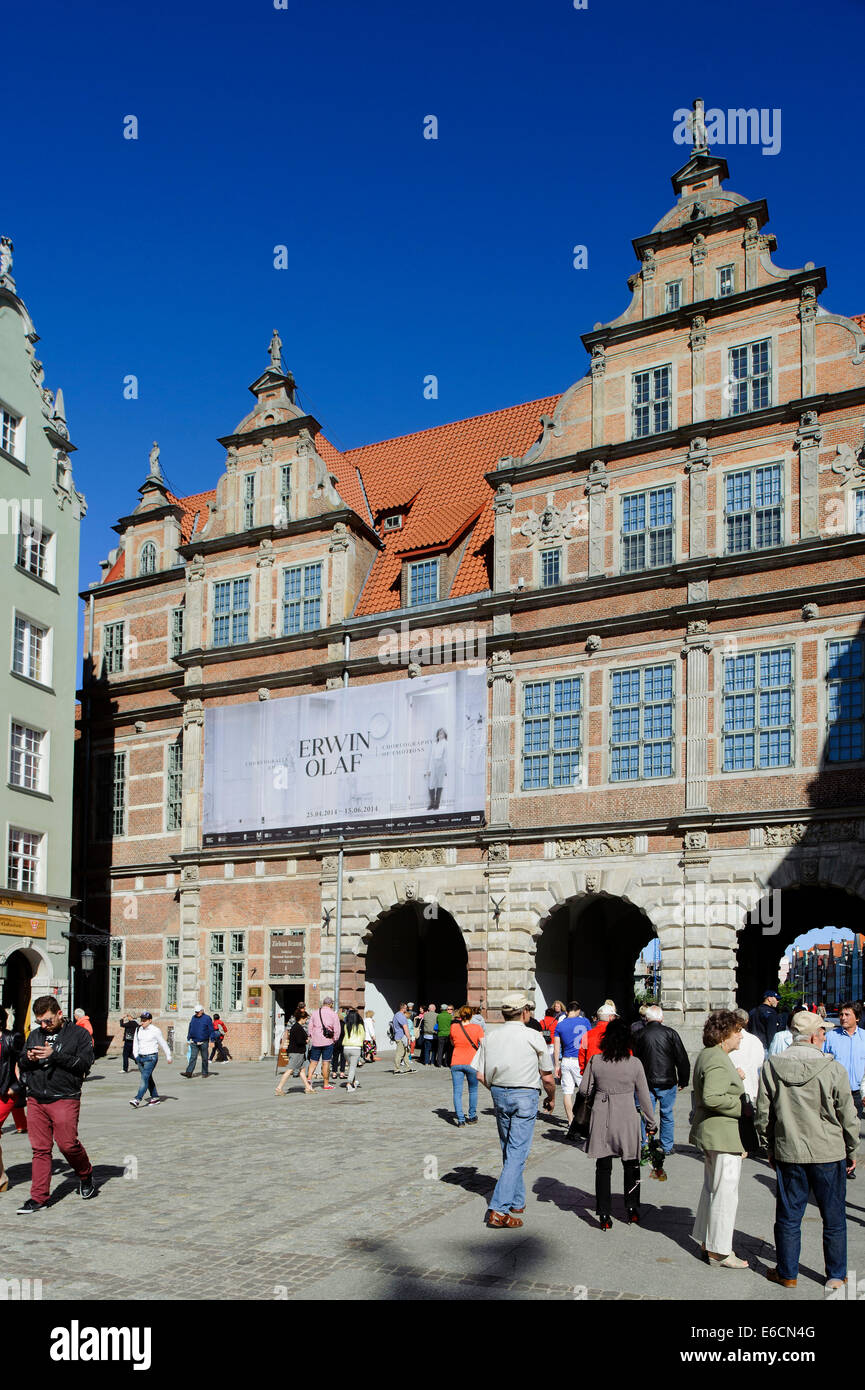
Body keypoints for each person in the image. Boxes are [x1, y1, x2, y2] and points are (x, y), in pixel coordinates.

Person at [756, 1011, 858, 1291]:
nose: (825, 1036)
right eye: (823, 1032)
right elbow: (848, 1115)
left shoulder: (773, 1065)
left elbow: (763, 1113)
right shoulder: (833, 1068)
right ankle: (836, 1277)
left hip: (789, 1150)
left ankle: (788, 1273)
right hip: (828, 1151)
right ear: (813, 1036)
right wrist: (853, 1149)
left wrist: (769, 1146)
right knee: (834, 1217)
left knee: (789, 1217)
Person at [473, 992, 555, 1227]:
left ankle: (517, 1200)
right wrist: (551, 1098)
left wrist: (496, 1088)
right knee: (518, 1151)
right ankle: (498, 1209)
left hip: (499, 1092)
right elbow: (547, 1077)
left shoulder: (490, 1037)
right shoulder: (533, 1036)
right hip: (525, 1094)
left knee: (509, 1147)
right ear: (525, 1012)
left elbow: (479, 1073)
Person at [16, 996, 96, 1213]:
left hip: (65, 1095)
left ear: (60, 1014)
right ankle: (38, 1198)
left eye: (48, 1021)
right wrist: (29, 1058)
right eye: (40, 1021)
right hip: (36, 1098)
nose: (44, 1025)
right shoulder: (35, 1034)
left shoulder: (78, 1035)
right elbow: (21, 1061)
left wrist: (55, 1055)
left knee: (67, 1144)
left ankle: (85, 1173)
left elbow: (85, 1064)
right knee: (40, 1149)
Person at [580, 1018, 657, 1228]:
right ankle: (632, 1208)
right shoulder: (635, 1064)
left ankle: (604, 1214)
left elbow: (584, 1090)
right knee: (631, 1164)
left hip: (602, 1114)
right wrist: (651, 1122)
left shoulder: (596, 1061)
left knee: (603, 1167)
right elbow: (644, 1096)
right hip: (627, 1117)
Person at [690, 1009, 749, 1269]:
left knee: (713, 1189)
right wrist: (739, 1106)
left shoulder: (711, 1055)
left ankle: (708, 1241)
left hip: (714, 1132)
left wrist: (735, 1077)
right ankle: (720, 1251)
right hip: (722, 1133)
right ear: (724, 1034)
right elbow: (712, 1097)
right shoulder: (716, 1058)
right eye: (737, 1031)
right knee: (725, 1192)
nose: (741, 1036)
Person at [632, 1004, 690, 1176]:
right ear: (661, 1018)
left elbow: (634, 1059)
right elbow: (682, 1058)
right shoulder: (671, 1033)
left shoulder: (639, 1035)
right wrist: (684, 1080)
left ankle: (644, 1145)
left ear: (646, 1018)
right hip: (667, 1080)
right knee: (667, 1113)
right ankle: (666, 1145)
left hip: (645, 1081)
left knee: (645, 1114)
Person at [823, 1000, 865, 1125]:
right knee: (836, 1130)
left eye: (847, 1015)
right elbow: (821, 1062)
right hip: (835, 1093)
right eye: (841, 1015)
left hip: (856, 1093)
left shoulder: (864, 1037)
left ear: (857, 1018)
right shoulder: (830, 1037)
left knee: (854, 1130)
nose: (843, 1018)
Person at [553, 1002, 590, 1127]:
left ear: (567, 1011)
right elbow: (589, 1041)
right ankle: (583, 1119)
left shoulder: (560, 1025)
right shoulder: (585, 1022)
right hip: (579, 1060)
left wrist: (557, 1065)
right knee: (585, 1092)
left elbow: (556, 1048)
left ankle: (570, 1121)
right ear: (578, 1010)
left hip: (566, 1060)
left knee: (567, 1092)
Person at [130, 1011, 172, 1107]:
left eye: (145, 1020)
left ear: (150, 1020)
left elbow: (163, 1043)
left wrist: (168, 1055)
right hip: (140, 1057)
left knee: (144, 1078)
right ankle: (155, 1097)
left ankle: (137, 1099)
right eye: (142, 1020)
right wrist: (136, 1055)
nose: (143, 1022)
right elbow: (135, 1043)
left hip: (151, 1057)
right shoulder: (138, 1029)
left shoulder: (155, 1030)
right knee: (148, 1078)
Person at [450, 1005, 483, 1126]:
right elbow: (483, 1045)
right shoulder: (477, 1027)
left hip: (456, 1061)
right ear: (471, 1015)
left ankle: (460, 1119)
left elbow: (452, 1042)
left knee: (457, 1092)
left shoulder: (454, 1027)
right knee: (473, 1090)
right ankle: (472, 1116)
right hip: (472, 1062)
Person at [728, 1008, 765, 1104]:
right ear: (747, 1021)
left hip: (730, 1089)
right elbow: (760, 1063)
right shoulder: (755, 1040)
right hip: (750, 1087)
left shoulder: (726, 1040)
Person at [0, 1007, 27, 1138]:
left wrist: (16, 1086)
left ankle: (22, 1125)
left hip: (5, 1092)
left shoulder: (12, 1038)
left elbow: (27, 1064)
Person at [276, 1006, 312, 1095]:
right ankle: (279, 1088)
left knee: (302, 1070)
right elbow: (299, 1041)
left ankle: (308, 1088)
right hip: (296, 1052)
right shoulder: (297, 1028)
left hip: (299, 1052)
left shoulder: (297, 1027)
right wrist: (306, 1041)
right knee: (290, 1070)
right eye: (305, 1019)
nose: (306, 1020)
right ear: (301, 1018)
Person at [307, 998, 341, 1090]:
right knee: (326, 1063)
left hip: (316, 1041)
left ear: (323, 1003)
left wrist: (311, 1036)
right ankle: (326, 1084)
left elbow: (310, 1027)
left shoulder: (315, 1012)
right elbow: (337, 1029)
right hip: (328, 1041)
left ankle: (309, 1079)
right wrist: (335, 1039)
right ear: (331, 1004)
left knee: (313, 1061)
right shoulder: (333, 1014)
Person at [578, 1002, 617, 1072]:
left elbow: (581, 1056)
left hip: (591, 1073)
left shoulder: (586, 1035)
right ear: (610, 1018)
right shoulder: (618, 1034)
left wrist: (584, 1072)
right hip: (613, 1074)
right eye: (615, 1017)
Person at [182, 1005, 217, 1078]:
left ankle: (204, 1073)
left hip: (203, 1041)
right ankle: (189, 1072)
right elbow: (190, 1027)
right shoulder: (193, 1018)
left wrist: (212, 1040)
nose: (197, 1013)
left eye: (198, 1012)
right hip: (194, 1041)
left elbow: (211, 1029)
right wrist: (189, 1037)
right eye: (196, 1012)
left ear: (202, 1011)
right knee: (193, 1057)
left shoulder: (207, 1018)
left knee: (204, 1058)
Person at [342, 1008, 366, 1091]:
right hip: (356, 1048)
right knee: (352, 1067)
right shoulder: (360, 1026)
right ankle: (349, 1084)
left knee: (351, 1066)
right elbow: (363, 1037)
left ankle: (354, 1081)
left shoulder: (346, 1025)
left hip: (346, 1048)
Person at [426, 727, 448, 809]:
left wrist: (446, 769)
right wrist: (429, 769)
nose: (440, 735)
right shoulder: (435, 744)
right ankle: (432, 803)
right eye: (439, 733)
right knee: (431, 784)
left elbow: (446, 757)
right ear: (437, 734)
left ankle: (437, 804)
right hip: (433, 764)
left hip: (441, 764)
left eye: (442, 733)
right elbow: (431, 757)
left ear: (444, 735)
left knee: (439, 783)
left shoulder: (446, 743)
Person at [391, 1003, 415, 1074]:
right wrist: (409, 1038)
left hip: (401, 1036)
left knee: (406, 1052)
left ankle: (408, 1068)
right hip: (401, 1037)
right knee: (400, 1053)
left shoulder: (397, 1015)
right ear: (403, 1008)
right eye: (406, 1007)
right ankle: (396, 1069)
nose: (407, 1009)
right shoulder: (400, 1016)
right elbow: (405, 1027)